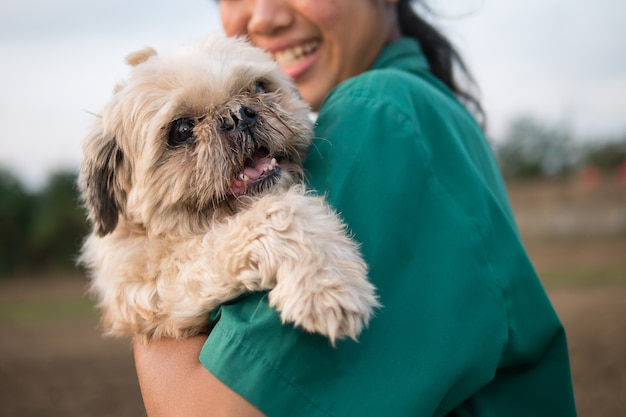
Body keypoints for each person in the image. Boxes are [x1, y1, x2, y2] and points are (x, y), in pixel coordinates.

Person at [133, 1, 578, 416]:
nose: (264, 16)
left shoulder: (376, 114)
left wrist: (142, 267)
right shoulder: (421, 104)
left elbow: (197, 407)